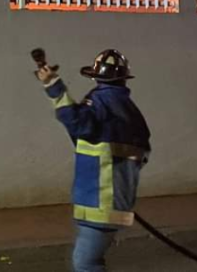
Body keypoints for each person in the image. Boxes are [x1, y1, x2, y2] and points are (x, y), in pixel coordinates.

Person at [34, 48, 151, 272]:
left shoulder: (100, 101)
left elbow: (75, 121)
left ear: (97, 77)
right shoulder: (130, 111)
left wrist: (52, 84)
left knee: (86, 264)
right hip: (114, 201)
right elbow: (140, 153)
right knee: (88, 261)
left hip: (99, 201)